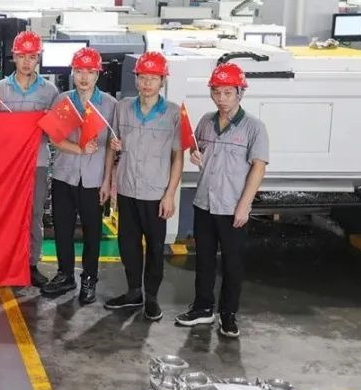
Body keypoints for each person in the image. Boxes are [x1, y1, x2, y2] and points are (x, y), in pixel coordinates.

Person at [175, 62, 268, 338]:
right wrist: (194, 154)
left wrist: (244, 205)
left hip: (232, 207)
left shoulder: (254, 128)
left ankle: (228, 314)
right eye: (216, 92)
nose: (222, 99)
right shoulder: (206, 121)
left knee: (232, 263)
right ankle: (203, 308)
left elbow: (258, 168)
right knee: (203, 260)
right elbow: (196, 148)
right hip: (204, 203)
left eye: (228, 93)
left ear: (240, 93)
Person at [103, 52, 182, 321]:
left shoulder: (173, 113)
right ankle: (134, 291)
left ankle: (152, 297)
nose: (147, 83)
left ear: (162, 81)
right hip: (127, 188)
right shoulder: (123, 108)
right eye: (143, 77)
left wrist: (170, 194)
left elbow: (178, 157)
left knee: (156, 248)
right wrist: (109, 180)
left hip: (156, 192)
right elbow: (112, 146)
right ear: (136, 79)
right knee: (128, 244)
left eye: (153, 78)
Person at [41, 47, 117, 304]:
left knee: (92, 231)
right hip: (64, 176)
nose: (84, 77)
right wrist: (79, 149)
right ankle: (65, 274)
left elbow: (111, 147)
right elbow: (54, 138)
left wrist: (107, 181)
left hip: (94, 180)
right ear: (72, 73)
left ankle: (89, 278)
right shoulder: (63, 101)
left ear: (98, 74)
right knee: (62, 228)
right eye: (79, 71)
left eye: (90, 72)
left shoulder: (109, 105)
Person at [0, 30, 59, 289]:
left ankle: (31, 264)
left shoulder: (50, 92)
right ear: (14, 57)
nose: (27, 62)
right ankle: (3, 262)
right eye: (22, 56)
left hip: (37, 162)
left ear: (38, 58)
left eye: (32, 57)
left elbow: (55, 131)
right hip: (7, 165)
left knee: (34, 214)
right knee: (5, 213)